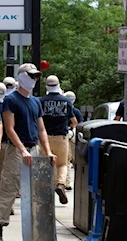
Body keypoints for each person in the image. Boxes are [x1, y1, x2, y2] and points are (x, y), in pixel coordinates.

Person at [0, 64, 57, 241]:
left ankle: (35, 229)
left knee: (36, 191)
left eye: (36, 76)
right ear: (21, 77)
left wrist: (48, 151)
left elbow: (41, 129)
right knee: (8, 188)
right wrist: (22, 150)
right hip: (16, 150)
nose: (34, 80)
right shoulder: (11, 100)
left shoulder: (36, 101)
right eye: (31, 76)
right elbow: (10, 128)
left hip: (34, 148)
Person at [39, 75, 77, 205]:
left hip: (45, 138)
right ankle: (60, 184)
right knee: (62, 164)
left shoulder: (41, 101)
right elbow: (74, 121)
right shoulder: (66, 101)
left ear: (47, 86)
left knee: (45, 165)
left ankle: (45, 192)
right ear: (58, 85)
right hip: (61, 137)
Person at [64, 91, 83, 191]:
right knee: (76, 160)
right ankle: (78, 180)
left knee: (66, 160)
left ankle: (66, 182)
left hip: (63, 136)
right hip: (73, 137)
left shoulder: (63, 109)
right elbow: (80, 124)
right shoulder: (76, 111)